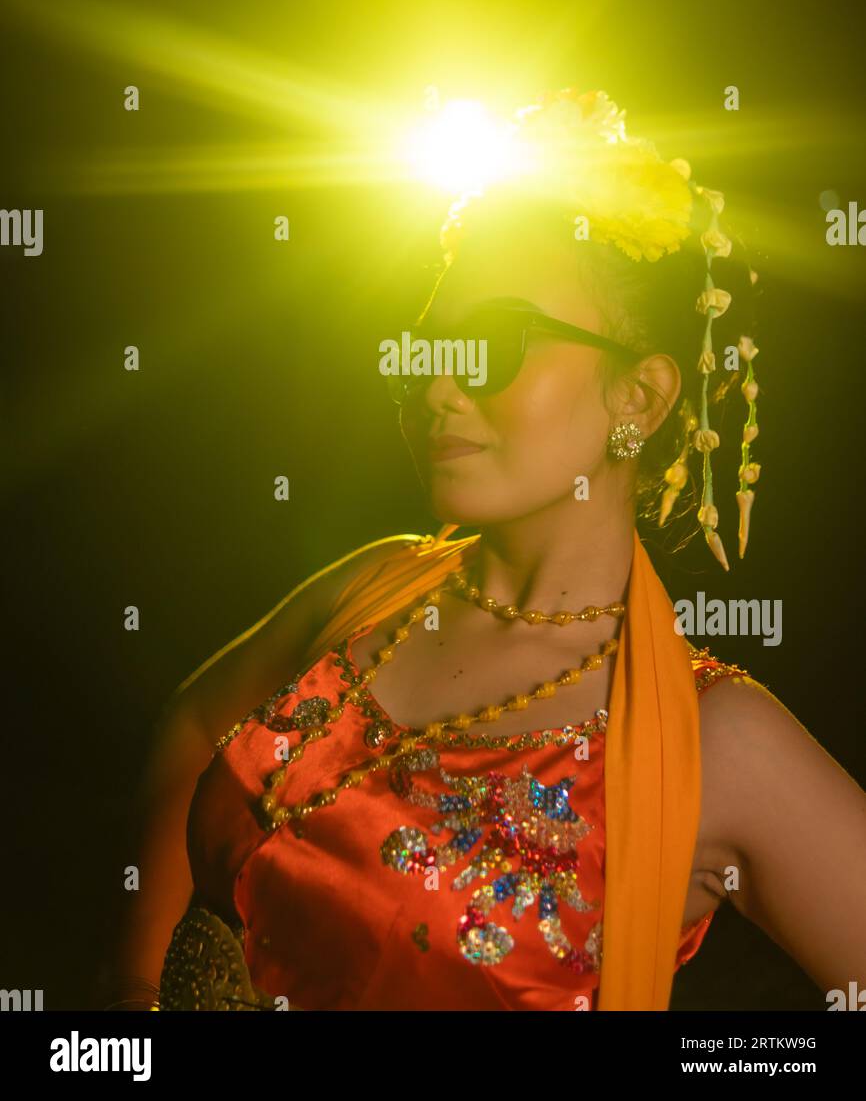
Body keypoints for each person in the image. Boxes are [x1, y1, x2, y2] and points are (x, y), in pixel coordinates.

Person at [110, 90, 866, 1011]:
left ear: (639, 399)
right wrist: (135, 991)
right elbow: (197, 730)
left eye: (493, 344)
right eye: (430, 344)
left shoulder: (720, 741)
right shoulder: (376, 586)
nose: (436, 386)